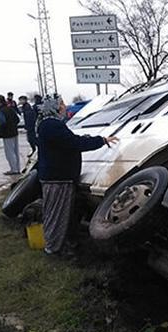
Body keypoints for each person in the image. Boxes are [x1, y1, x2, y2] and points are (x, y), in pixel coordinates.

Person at [37, 95, 118, 256]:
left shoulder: (46, 124)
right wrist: (100, 140)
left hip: (55, 176)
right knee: (58, 215)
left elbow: (69, 141)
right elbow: (74, 143)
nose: (65, 106)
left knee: (56, 213)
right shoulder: (51, 126)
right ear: (55, 107)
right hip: (58, 178)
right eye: (62, 103)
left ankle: (56, 245)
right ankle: (53, 249)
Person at [0, 95, 21, 175]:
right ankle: (17, 168)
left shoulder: (1, 111)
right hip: (14, 132)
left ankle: (13, 169)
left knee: (9, 152)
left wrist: (0, 131)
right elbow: (17, 119)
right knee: (16, 151)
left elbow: (2, 123)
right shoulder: (10, 109)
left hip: (7, 134)